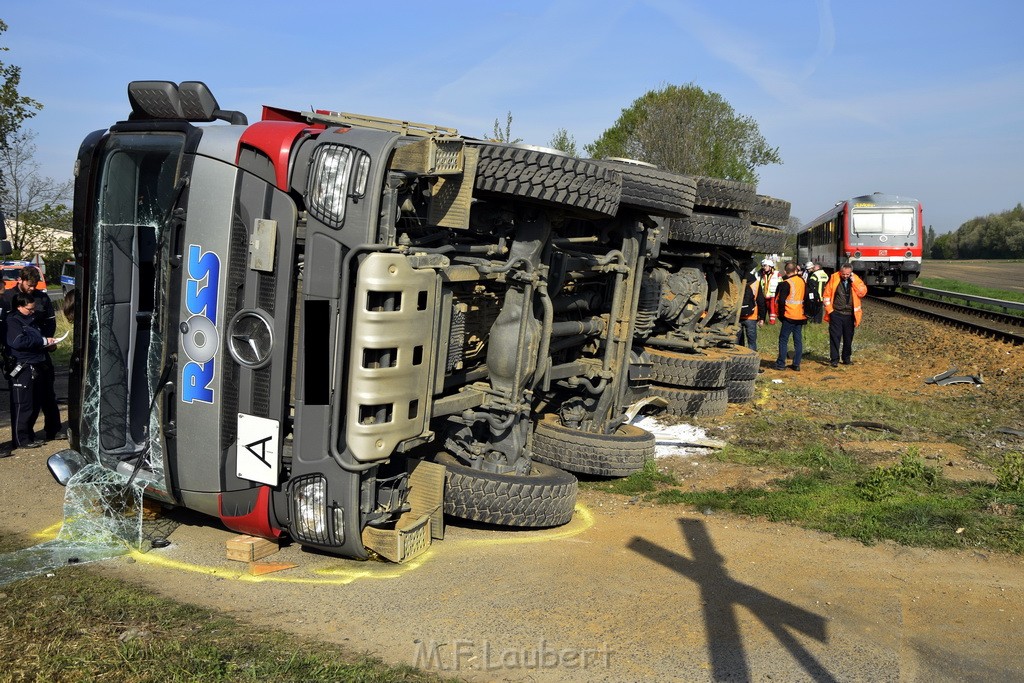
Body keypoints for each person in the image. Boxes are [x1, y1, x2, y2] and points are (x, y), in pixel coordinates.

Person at [5, 291, 61, 450]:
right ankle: (21, 438)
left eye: (33, 309)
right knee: (23, 404)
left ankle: (29, 434)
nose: (32, 312)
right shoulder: (12, 322)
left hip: (37, 363)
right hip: (22, 366)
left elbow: (34, 339)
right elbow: (18, 341)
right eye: (29, 309)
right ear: (19, 307)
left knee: (35, 402)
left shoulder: (32, 320)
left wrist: (48, 344)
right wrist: (42, 340)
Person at [822, 263, 868, 367]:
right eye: (843, 274)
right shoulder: (834, 278)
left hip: (850, 315)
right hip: (836, 313)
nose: (845, 276)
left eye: (848, 274)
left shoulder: (856, 279)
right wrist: (830, 312)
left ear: (851, 273)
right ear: (840, 272)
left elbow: (862, 293)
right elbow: (826, 295)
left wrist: (854, 281)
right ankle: (834, 359)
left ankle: (846, 358)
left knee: (848, 338)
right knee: (835, 337)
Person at [772, 261, 807, 371]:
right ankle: (796, 364)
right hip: (801, 316)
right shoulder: (802, 281)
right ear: (795, 270)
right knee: (798, 341)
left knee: (783, 339)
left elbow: (781, 301)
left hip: (789, 315)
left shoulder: (786, 283)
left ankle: (781, 364)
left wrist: (781, 316)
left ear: (785, 271)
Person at [736, 271, 765, 351]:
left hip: (737, 316)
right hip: (751, 315)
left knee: (737, 341)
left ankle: (738, 358)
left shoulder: (736, 280)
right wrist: (762, 317)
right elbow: (761, 301)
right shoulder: (755, 283)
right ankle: (752, 357)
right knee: (752, 342)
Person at [757, 258, 781, 325]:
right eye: (763, 266)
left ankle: (772, 323)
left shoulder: (777, 274)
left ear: (770, 267)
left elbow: (781, 284)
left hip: (773, 296)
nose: (764, 267)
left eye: (765, 266)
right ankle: (761, 321)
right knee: (762, 309)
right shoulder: (760, 274)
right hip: (763, 295)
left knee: (772, 310)